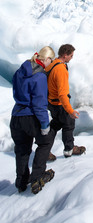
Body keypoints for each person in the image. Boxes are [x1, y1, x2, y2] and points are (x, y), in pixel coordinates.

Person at [10, 46, 56, 195]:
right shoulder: (40, 76)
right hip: (31, 117)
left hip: (16, 116)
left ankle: (21, 182)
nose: (51, 63)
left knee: (22, 150)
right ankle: (37, 177)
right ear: (47, 59)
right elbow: (39, 103)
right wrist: (44, 124)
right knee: (45, 141)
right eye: (52, 60)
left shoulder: (19, 72)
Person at [47, 44, 86, 158]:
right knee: (68, 125)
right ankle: (69, 149)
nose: (72, 58)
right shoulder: (60, 70)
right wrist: (70, 110)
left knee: (55, 125)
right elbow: (62, 94)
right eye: (71, 55)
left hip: (51, 102)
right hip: (59, 104)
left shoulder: (53, 64)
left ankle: (45, 151)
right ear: (65, 55)